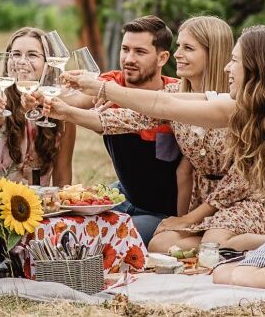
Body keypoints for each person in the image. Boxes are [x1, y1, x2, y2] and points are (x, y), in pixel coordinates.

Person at [65, 25, 265, 294]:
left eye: (234, 61)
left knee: (231, 274)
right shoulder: (243, 112)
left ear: (258, 69)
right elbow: (163, 105)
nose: (226, 69)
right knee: (237, 249)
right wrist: (102, 90)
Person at [51, 17, 265, 252]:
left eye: (188, 48)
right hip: (197, 202)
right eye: (178, 46)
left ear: (213, 53)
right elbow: (123, 120)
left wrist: (187, 219)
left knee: (157, 241)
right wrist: (65, 111)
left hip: (240, 201)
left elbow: (240, 181)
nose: (177, 53)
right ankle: (215, 252)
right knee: (159, 245)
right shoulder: (172, 93)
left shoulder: (237, 103)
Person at [29, 15, 184, 245]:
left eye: (140, 52)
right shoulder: (111, 83)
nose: (129, 59)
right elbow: (75, 98)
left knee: (101, 241)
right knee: (63, 227)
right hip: (124, 195)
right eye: (125, 49)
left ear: (162, 57)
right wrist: (38, 92)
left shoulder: (177, 96)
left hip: (163, 212)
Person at [0, 27, 76, 186]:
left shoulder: (62, 113)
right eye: (16, 54)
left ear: (48, 63)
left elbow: (62, 176)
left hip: (38, 207)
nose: (22, 61)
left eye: (32, 55)